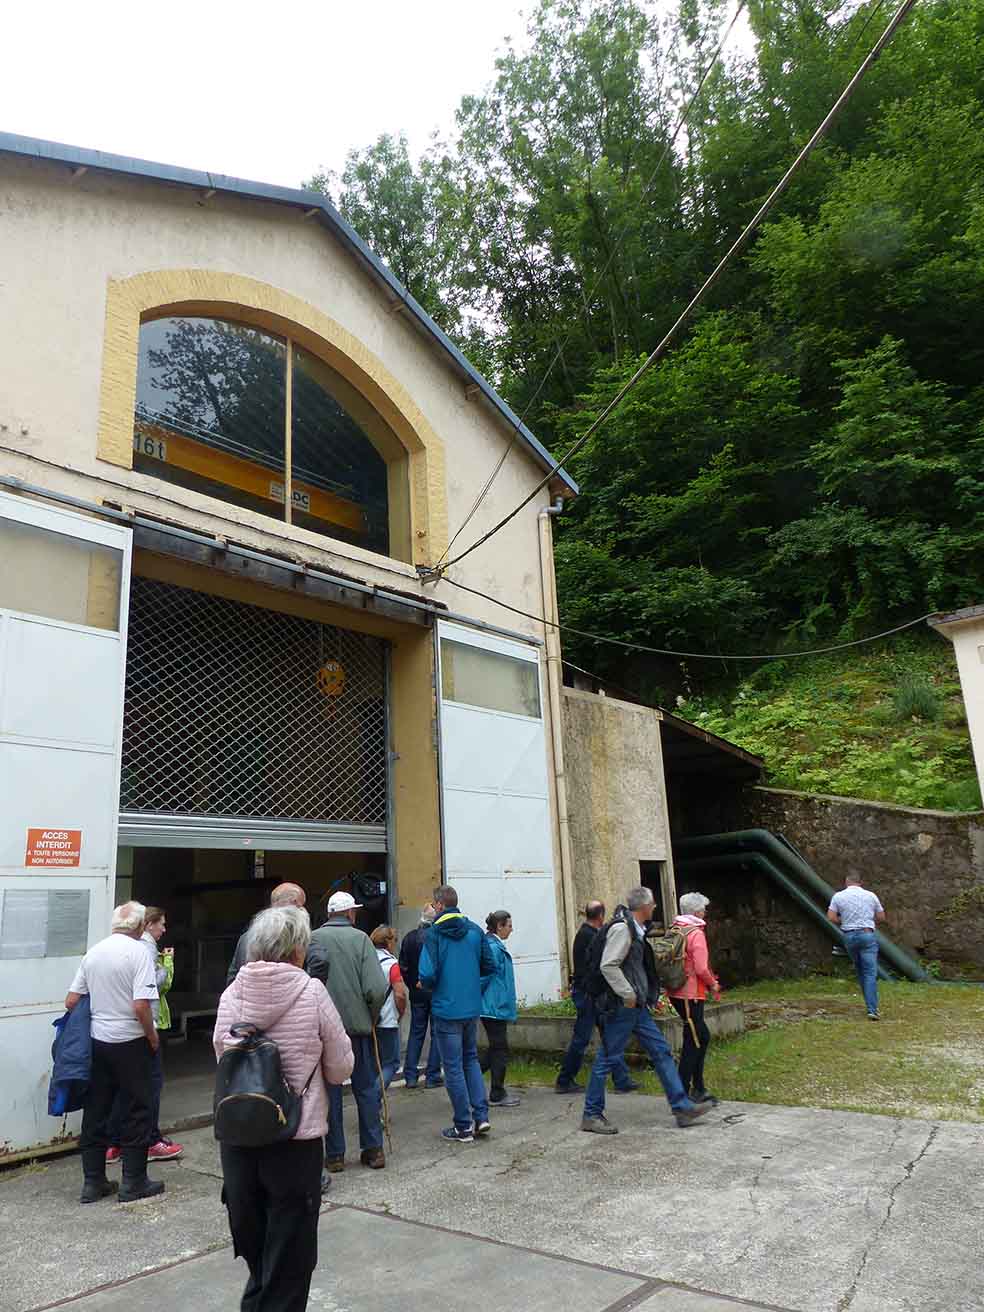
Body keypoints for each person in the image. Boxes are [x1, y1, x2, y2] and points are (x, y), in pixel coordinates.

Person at [215, 905, 353, 1312]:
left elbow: (222, 1056)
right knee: (290, 1258)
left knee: (258, 1254)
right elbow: (341, 1067)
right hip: (295, 1138)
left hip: (240, 1137)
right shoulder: (312, 992)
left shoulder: (232, 993)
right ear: (297, 950)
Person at [581, 887, 713, 1135]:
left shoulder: (637, 929)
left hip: (637, 1007)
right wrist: (628, 994)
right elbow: (608, 965)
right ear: (643, 907)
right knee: (606, 1058)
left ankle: (682, 1107)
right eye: (652, 904)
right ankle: (591, 1114)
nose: (654, 907)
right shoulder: (623, 929)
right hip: (622, 1007)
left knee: (661, 1052)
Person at [64, 901, 164, 1204]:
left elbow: (71, 1001)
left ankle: (93, 1183)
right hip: (132, 1041)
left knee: (96, 1108)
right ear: (140, 926)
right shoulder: (139, 953)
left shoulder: (94, 953)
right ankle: (133, 1182)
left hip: (98, 1041)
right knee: (137, 1108)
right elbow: (141, 1005)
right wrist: (152, 1037)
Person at [306, 891, 388, 1170]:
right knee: (366, 1088)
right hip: (357, 1028)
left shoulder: (313, 939)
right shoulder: (361, 939)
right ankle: (374, 1150)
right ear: (351, 913)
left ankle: (335, 1155)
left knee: (330, 1092)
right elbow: (376, 988)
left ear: (330, 914)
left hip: (324, 1029)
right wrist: (371, 1017)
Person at [418, 884, 496, 1143]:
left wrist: (429, 986)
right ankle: (481, 1117)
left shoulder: (433, 934)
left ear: (440, 905)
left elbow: (427, 973)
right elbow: (489, 966)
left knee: (452, 1067)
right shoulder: (474, 930)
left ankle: (463, 1125)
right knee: (470, 1059)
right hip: (471, 1007)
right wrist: (474, 987)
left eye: (434, 904)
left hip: (446, 1008)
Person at [106, 905, 182, 1165]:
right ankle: (150, 1141)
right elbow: (153, 988)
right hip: (144, 1025)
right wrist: (167, 964)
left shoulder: (104, 952)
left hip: (112, 1031)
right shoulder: (146, 949)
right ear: (147, 924)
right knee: (150, 1085)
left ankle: (113, 1143)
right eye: (161, 923)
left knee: (121, 1087)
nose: (164, 929)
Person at [555, 901, 639, 1096]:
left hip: (592, 993)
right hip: (588, 995)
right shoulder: (590, 936)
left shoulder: (585, 933)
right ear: (601, 915)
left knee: (610, 1036)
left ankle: (621, 1079)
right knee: (582, 1039)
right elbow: (598, 967)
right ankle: (564, 1080)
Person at [666, 892, 721, 1106]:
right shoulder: (696, 933)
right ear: (697, 912)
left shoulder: (675, 928)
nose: (705, 912)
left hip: (676, 991)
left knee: (700, 1037)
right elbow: (701, 968)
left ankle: (698, 1086)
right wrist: (712, 983)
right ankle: (685, 1090)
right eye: (703, 909)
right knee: (695, 1040)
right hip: (690, 995)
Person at [827, 874, 886, 1019]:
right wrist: (869, 920)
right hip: (867, 935)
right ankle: (872, 1009)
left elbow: (831, 917)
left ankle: (869, 1005)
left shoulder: (838, 896)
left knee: (860, 971)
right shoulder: (871, 895)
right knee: (870, 972)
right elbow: (881, 917)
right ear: (861, 882)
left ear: (846, 882)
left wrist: (844, 920)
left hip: (849, 936)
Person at [398, 905, 443, 1089]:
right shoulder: (439, 938)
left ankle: (410, 1075)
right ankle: (432, 1076)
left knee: (416, 1032)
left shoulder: (410, 937)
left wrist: (413, 983)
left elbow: (403, 966)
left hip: (417, 993)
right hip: (436, 990)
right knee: (437, 1033)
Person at [227, 883, 306, 985]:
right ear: (295, 903)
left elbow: (233, 978)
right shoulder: (299, 938)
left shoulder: (246, 937)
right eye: (302, 906)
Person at [480, 911, 520, 1108]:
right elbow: (483, 975)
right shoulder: (493, 948)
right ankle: (497, 1092)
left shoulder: (492, 945)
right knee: (500, 1049)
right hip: (493, 1006)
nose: (511, 929)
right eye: (509, 926)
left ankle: (466, 1075)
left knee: (496, 1048)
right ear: (499, 927)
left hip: (493, 1005)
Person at [369, 925, 407, 1088]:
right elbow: (400, 994)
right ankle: (375, 1096)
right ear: (388, 942)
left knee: (373, 1064)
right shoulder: (392, 964)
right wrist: (401, 1013)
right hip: (387, 1020)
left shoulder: (366, 960)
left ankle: (372, 1099)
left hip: (369, 1019)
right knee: (391, 1063)